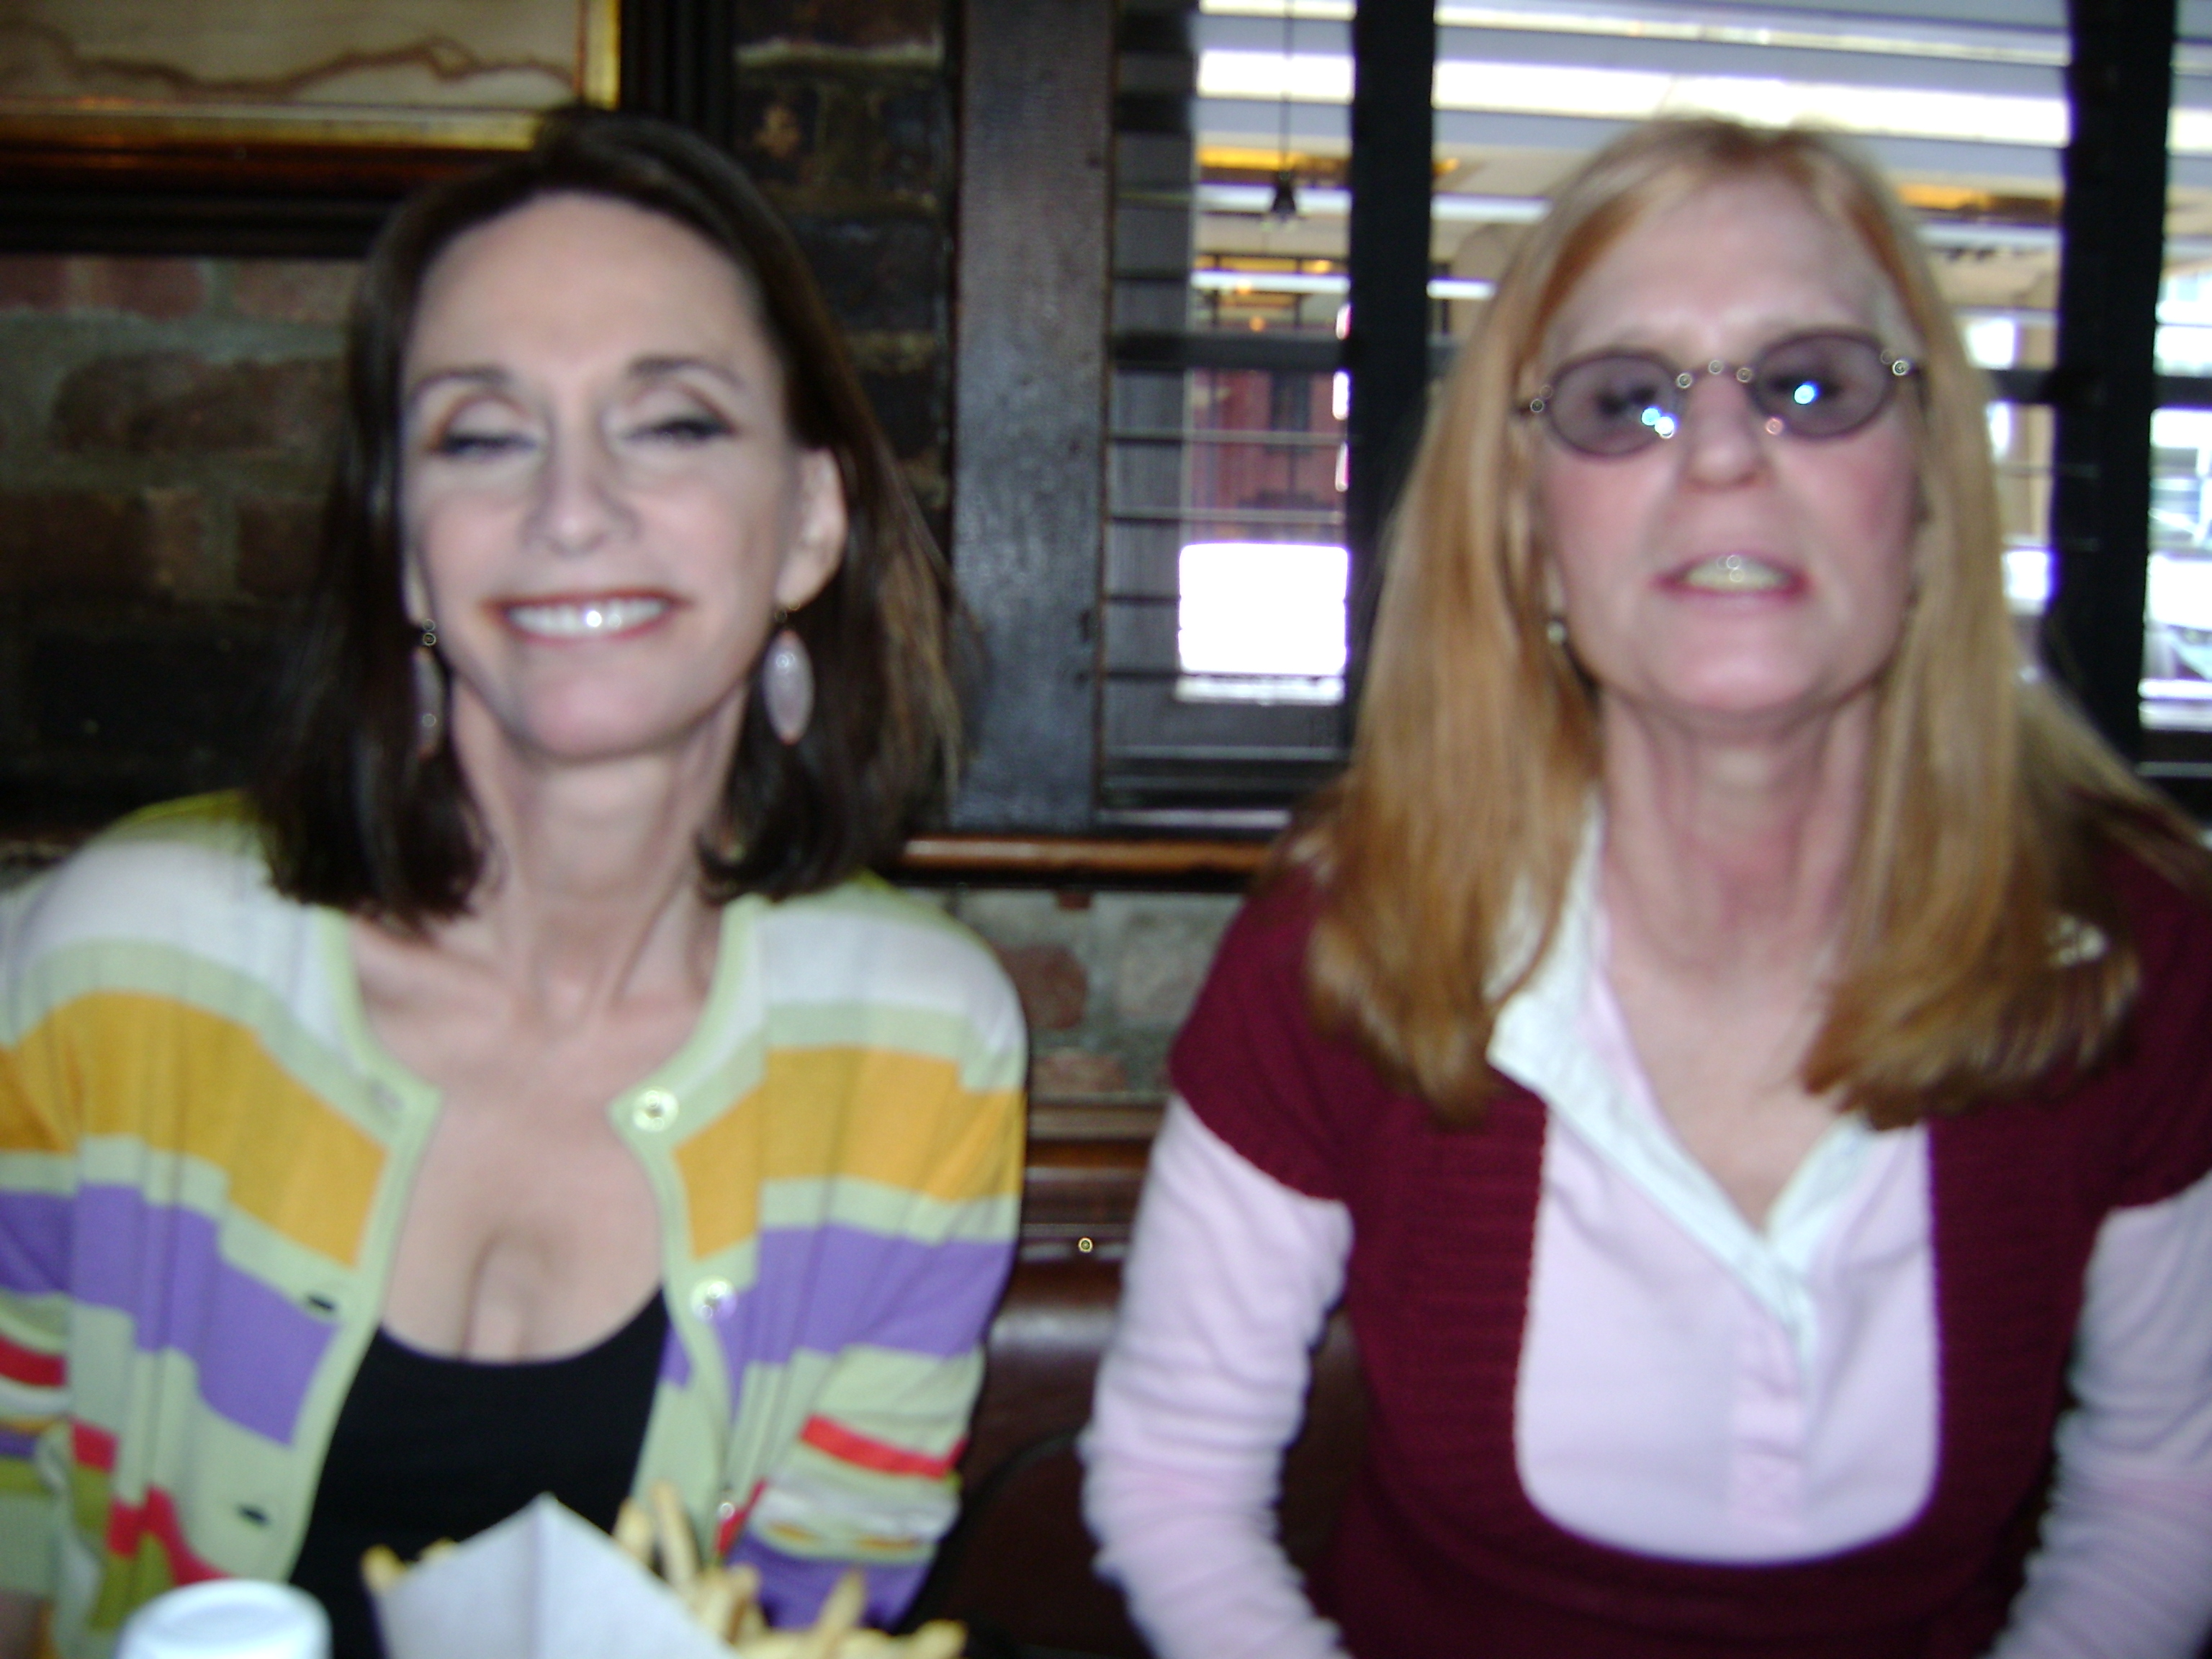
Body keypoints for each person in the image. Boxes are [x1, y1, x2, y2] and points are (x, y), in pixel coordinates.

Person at [1082, 118, 2212, 1658]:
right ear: (1531, 535)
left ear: (1930, 501)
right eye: (1625, 402)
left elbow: (2166, 1488)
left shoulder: (2138, 951)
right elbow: (1174, 1477)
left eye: (1810, 386)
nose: (1727, 453)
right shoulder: (1350, 939)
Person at [0, 109, 1025, 1659]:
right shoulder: (117, 958)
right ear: (407, 548)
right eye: (481, 436)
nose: (572, 509)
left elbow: (817, 1596)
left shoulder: (923, 1049)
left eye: (671, 423)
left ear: (809, 522)